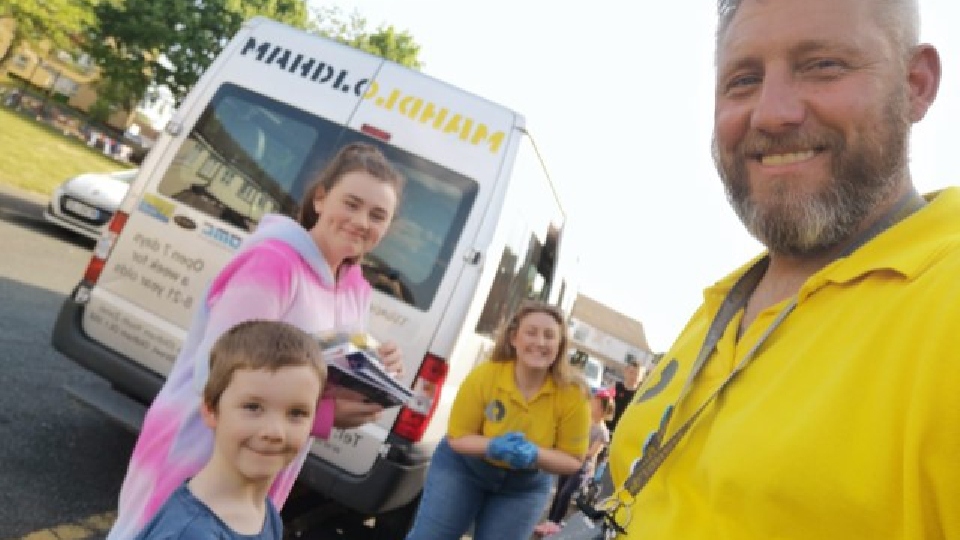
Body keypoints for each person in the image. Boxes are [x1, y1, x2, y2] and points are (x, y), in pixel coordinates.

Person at [605, 0, 959, 538]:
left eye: (823, 65)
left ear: (915, 84)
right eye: (743, 80)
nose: (771, 113)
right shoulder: (720, 307)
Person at [109, 142, 406, 539]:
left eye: (377, 215)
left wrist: (373, 367)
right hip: (198, 448)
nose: (361, 221)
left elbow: (318, 364)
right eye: (351, 203)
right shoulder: (273, 263)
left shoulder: (355, 288)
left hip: (265, 456)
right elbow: (215, 374)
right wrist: (325, 416)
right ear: (320, 198)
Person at [405, 301, 591, 540]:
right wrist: (492, 446)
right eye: (531, 332)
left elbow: (574, 459)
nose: (540, 342)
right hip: (464, 468)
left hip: (524, 487)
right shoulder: (485, 376)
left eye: (549, 336)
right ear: (514, 338)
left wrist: (534, 454)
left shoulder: (573, 394)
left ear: (560, 346)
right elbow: (458, 437)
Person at [135, 320, 327, 539]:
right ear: (210, 409)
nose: (275, 432)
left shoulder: (264, 512)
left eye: (296, 413)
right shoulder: (191, 533)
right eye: (253, 407)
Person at [536, 388, 614, 536]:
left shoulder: (602, 431)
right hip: (570, 461)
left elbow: (592, 453)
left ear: (603, 409)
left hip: (582, 468)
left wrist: (575, 449)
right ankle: (550, 521)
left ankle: (555, 523)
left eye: (595, 404)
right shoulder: (585, 422)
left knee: (566, 493)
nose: (591, 405)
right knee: (559, 492)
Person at [605, 357, 646, 434]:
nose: (633, 376)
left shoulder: (640, 396)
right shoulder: (615, 387)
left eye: (636, 374)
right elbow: (604, 403)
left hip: (622, 433)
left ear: (641, 378)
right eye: (631, 372)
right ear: (625, 372)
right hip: (606, 428)